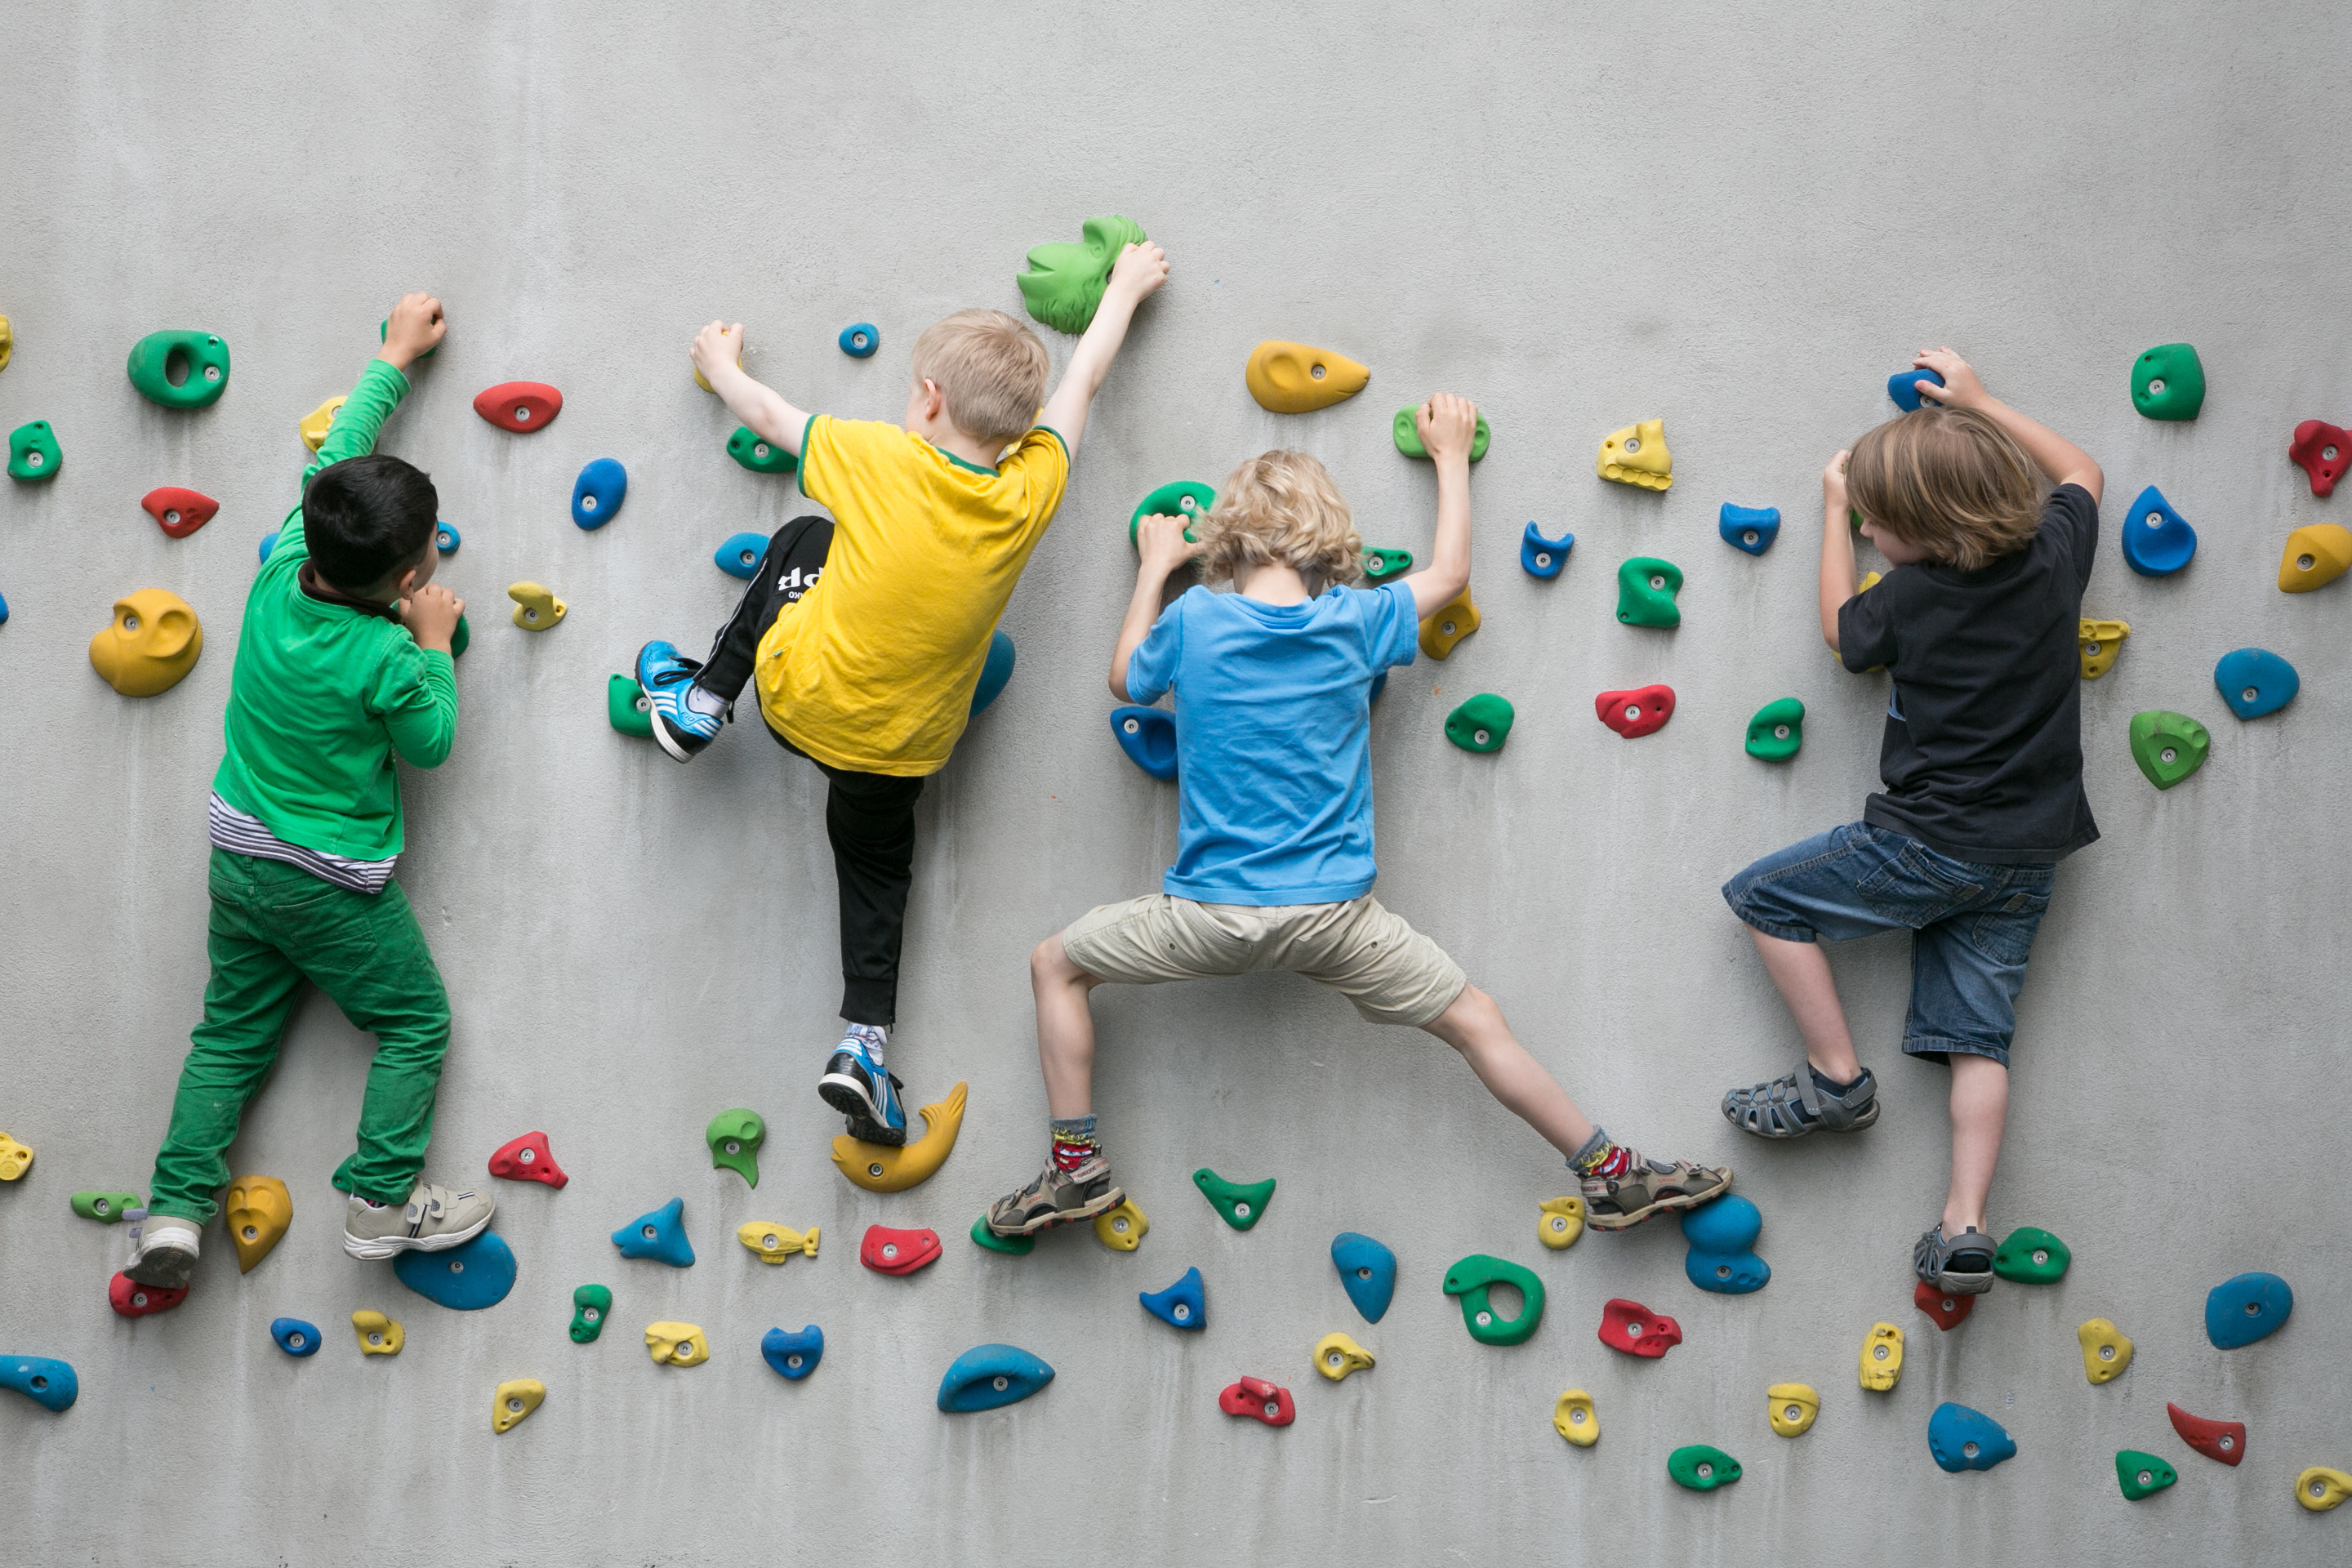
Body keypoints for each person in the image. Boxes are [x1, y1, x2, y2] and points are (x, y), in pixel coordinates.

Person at [986, 398, 1732, 1239]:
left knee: (1056, 965)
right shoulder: (1355, 619)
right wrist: (1450, 457)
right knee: (1477, 1022)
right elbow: (1448, 575)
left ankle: (1076, 1172)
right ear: (1329, 537)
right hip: (1336, 919)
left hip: (1210, 916)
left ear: (1229, 538)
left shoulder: (1195, 618)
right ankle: (1610, 1175)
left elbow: (1126, 678)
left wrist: (1156, 567)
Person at [635, 243, 1169, 1146]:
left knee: (805, 536)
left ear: (928, 400)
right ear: (1018, 430)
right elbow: (1081, 387)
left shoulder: (877, 458)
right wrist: (1122, 289)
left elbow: (768, 415)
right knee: (877, 875)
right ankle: (863, 1046)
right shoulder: (1028, 493)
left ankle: (704, 701)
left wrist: (720, 363)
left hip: (797, 699)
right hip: (898, 752)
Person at [125, 292, 492, 1290]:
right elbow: (433, 744)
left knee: (231, 1033)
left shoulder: (289, 555)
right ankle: (382, 1203)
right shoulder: (387, 655)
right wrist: (433, 645)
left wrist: (394, 356)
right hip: (328, 887)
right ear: (408, 576)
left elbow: (345, 439)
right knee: (416, 1023)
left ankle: (173, 1210)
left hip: (240, 858)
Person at [1717, 347, 2102, 1298]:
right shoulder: (2055, 560)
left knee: (1764, 899)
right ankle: (1965, 1223)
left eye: (1880, 524)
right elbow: (2084, 474)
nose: (1871, 531)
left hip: (1926, 844)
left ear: (1920, 535)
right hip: (2030, 854)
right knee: (1980, 1038)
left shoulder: (1911, 601)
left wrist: (1829, 513)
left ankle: (1835, 1079)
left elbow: (1840, 630)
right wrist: (1982, 403)